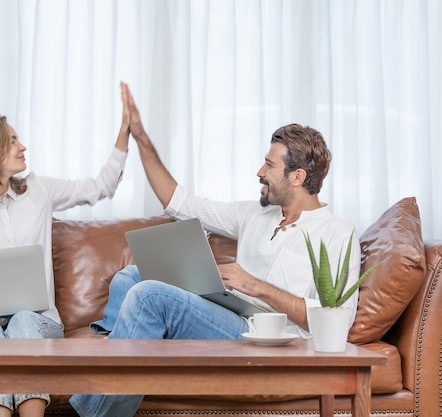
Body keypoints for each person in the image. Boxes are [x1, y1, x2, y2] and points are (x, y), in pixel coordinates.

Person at [69, 85, 361, 417]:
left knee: (148, 295)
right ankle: (121, 343)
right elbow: (179, 202)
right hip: (229, 314)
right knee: (131, 276)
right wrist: (140, 138)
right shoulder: (256, 213)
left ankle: (98, 403)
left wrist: (253, 285)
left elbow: (337, 321)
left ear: (297, 177)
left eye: (269, 165)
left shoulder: (337, 233)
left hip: (268, 340)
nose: (259, 172)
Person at [0, 83, 131, 417]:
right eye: (12, 141)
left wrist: (124, 131)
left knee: (23, 319)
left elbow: (100, 187)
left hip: (39, 322)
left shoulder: (38, 190)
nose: (23, 147)